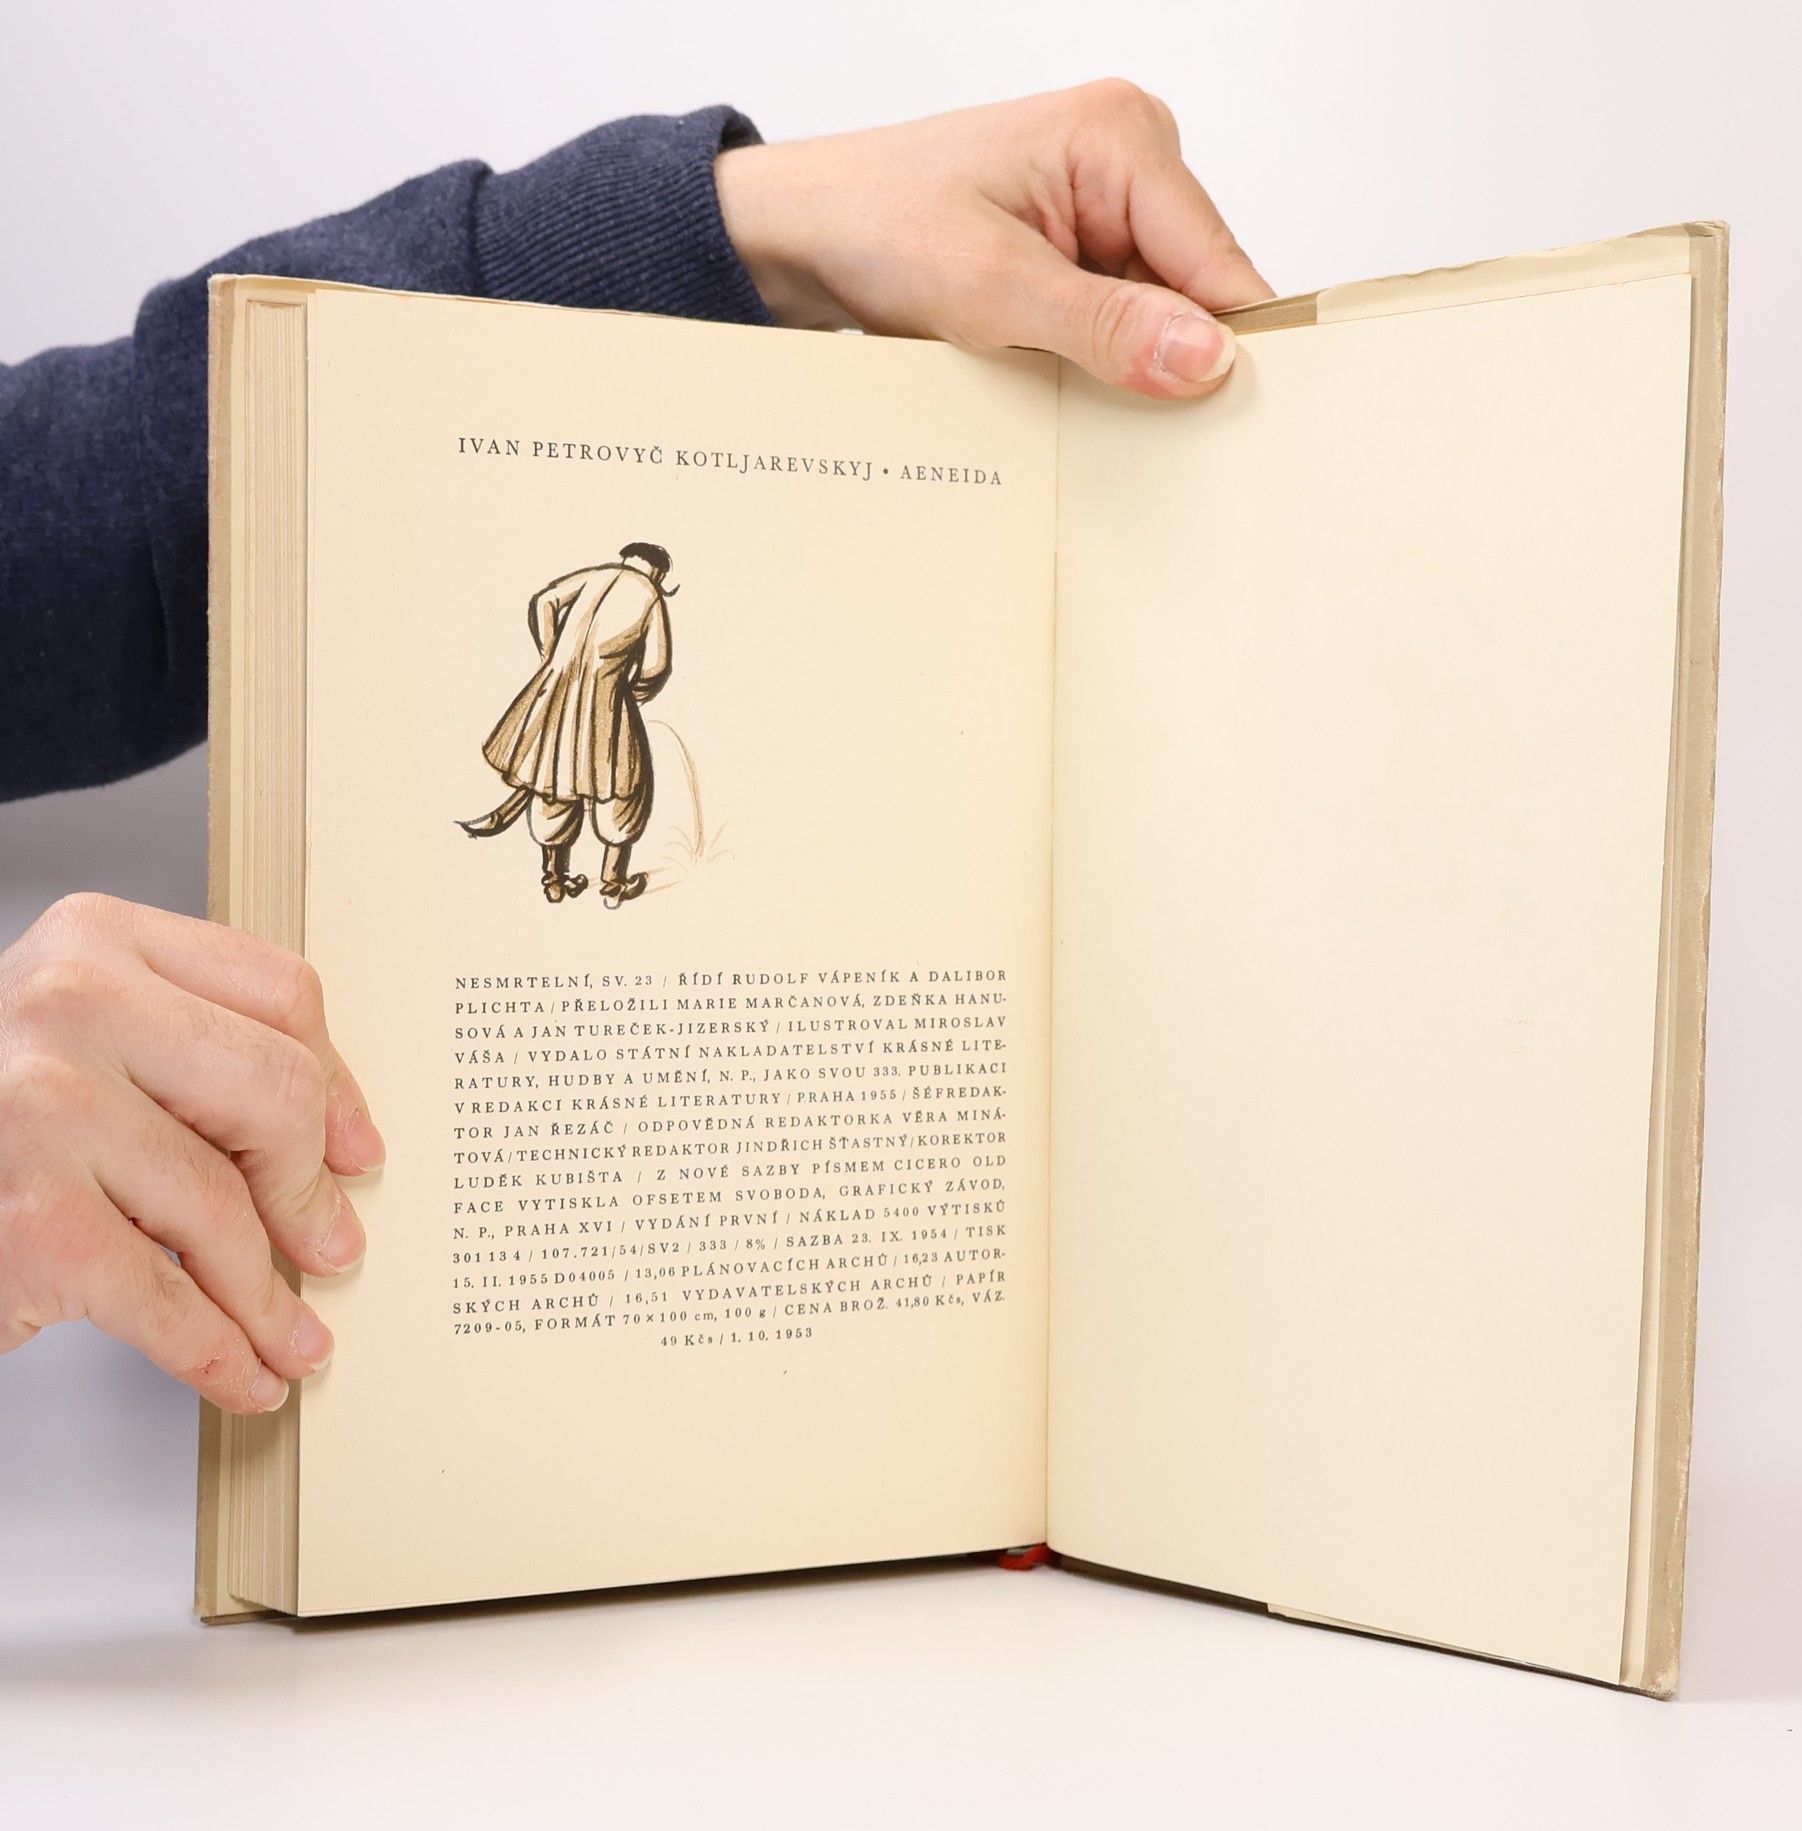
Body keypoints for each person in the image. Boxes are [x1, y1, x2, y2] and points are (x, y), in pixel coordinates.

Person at [0, 81, 1273, 1413]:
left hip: (555, 685)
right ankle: (595, 875)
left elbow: (91, 518)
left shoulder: (586, 584)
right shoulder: (648, 599)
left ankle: (569, 873)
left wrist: (740, 226)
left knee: (559, 787)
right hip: (600, 701)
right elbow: (647, 668)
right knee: (620, 786)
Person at [459, 542, 677, 907]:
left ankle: (555, 881)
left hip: (556, 693)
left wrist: (553, 657)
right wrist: (631, 692)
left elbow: (543, 602)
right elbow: (657, 665)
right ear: (658, 572)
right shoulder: (649, 595)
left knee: (553, 777)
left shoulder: (595, 576)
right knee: (622, 783)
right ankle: (612, 883)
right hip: (609, 700)